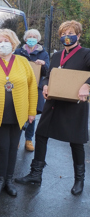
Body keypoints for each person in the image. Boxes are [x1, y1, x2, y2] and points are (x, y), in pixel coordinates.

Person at [15, 20, 90, 195]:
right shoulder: (56, 56)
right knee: (41, 135)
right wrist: (46, 85)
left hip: (75, 106)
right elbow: (48, 76)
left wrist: (87, 85)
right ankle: (35, 174)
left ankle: (79, 180)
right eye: (63, 34)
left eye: (70, 33)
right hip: (53, 103)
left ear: (78, 35)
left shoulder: (86, 54)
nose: (66, 36)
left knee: (76, 142)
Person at [0, 29, 38, 197]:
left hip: (17, 112)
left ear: (13, 43)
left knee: (13, 148)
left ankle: (9, 181)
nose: (2, 43)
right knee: (1, 147)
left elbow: (32, 87)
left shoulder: (23, 61)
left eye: (6, 40)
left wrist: (32, 111)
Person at [14, 29, 50, 151]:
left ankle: (28, 139)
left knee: (31, 114)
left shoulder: (43, 53)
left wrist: (44, 64)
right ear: (25, 39)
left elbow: (48, 72)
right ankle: (17, 139)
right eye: (29, 36)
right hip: (19, 87)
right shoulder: (18, 52)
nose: (32, 38)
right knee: (18, 112)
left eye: (34, 36)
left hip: (35, 87)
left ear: (38, 39)